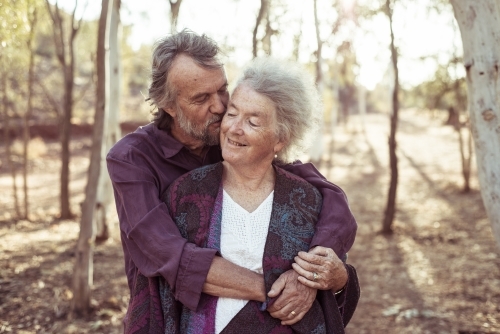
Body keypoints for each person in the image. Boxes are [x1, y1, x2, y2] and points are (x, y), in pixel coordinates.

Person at [106, 30, 358, 333]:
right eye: (201, 98)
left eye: (222, 90)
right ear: (168, 105)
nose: (220, 107)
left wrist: (315, 271)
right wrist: (279, 289)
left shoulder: (229, 139)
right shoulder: (131, 159)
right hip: (166, 315)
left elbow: (327, 195)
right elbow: (169, 254)